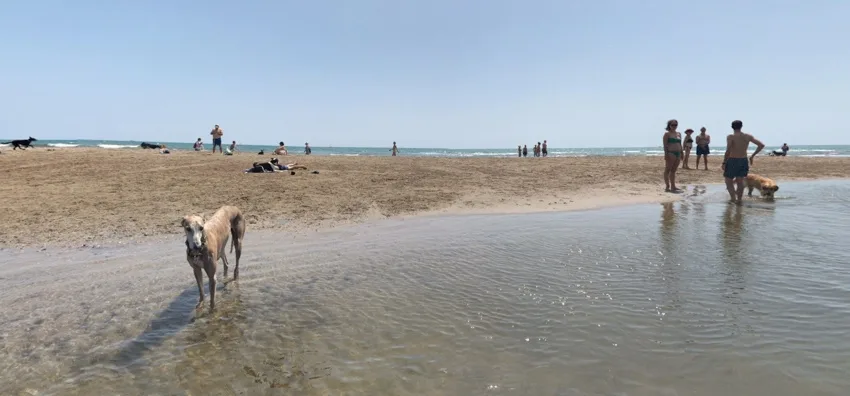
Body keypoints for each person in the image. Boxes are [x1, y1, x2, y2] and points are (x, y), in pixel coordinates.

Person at [722, 120, 765, 204]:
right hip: (743, 160)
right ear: (741, 126)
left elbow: (728, 150)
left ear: (732, 127)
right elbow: (761, 145)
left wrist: (724, 162)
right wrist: (752, 156)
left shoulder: (731, 137)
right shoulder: (747, 136)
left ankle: (733, 198)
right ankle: (739, 200)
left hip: (732, 160)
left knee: (728, 181)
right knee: (740, 182)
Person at [662, 119, 683, 192]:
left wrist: (682, 153)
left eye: (675, 125)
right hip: (671, 153)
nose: (674, 126)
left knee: (674, 171)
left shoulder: (679, 134)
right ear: (669, 125)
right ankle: (667, 186)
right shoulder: (667, 134)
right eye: (672, 125)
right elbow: (665, 146)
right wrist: (666, 155)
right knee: (667, 170)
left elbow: (680, 144)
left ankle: (673, 186)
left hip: (678, 153)